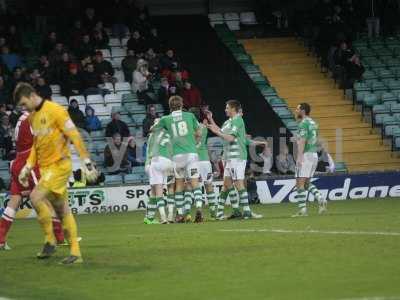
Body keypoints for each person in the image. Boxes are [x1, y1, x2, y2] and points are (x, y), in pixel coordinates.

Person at [14, 82, 98, 264]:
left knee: (35, 197)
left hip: (60, 165)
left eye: (23, 103)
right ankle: (76, 253)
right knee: (62, 210)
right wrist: (28, 166)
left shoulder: (56, 110)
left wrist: (87, 162)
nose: (23, 108)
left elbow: (74, 135)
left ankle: (50, 240)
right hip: (46, 169)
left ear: (30, 96)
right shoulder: (32, 117)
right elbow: (36, 145)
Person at [0, 112, 65, 250]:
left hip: (18, 161)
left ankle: (0, 239)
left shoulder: (22, 117)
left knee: (14, 200)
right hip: (28, 162)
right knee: (45, 199)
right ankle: (59, 238)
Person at [151, 96, 206, 222]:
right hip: (191, 154)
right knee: (194, 183)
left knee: (179, 185)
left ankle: (180, 214)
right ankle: (198, 209)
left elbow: (153, 130)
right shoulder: (189, 116)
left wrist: (157, 124)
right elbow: (199, 133)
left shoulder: (166, 119)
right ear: (182, 105)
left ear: (170, 106)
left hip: (177, 156)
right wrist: (193, 142)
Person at [206, 100, 264, 220]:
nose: (225, 110)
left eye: (227, 108)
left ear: (233, 109)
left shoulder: (238, 120)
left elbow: (231, 138)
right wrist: (211, 121)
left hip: (236, 157)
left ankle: (246, 212)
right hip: (228, 158)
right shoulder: (229, 122)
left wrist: (217, 132)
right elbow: (223, 133)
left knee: (237, 183)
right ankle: (222, 213)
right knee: (227, 185)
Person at [293, 102, 327, 217]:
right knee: (307, 182)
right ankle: (320, 198)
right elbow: (315, 139)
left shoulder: (303, 123)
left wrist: (299, 156)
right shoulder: (313, 122)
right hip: (314, 155)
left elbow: (302, 140)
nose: (296, 110)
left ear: (302, 111)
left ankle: (302, 210)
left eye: (297, 109)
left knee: (300, 183)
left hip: (306, 155)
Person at [144, 121, 174, 224]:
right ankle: (168, 215)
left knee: (155, 190)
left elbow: (149, 151)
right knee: (168, 188)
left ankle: (154, 217)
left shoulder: (152, 135)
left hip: (153, 162)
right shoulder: (169, 133)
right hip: (168, 161)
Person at [190, 108, 217, 218]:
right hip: (205, 160)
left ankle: (198, 210)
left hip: (194, 160)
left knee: (196, 187)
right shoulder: (204, 127)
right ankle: (213, 212)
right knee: (209, 185)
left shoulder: (189, 128)